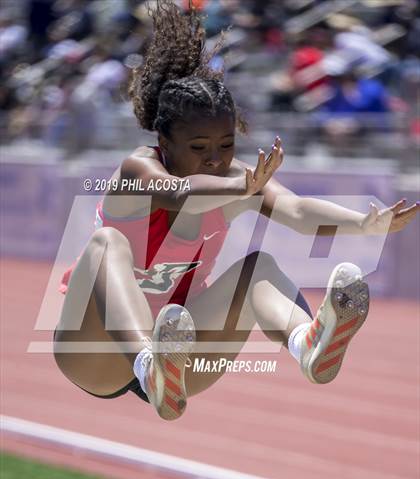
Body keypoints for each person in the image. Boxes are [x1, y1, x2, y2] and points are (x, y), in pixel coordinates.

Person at [53, 0, 419, 421]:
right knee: (106, 242)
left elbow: (297, 211)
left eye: (226, 146)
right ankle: (148, 363)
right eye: (199, 148)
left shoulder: (237, 178)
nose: (215, 158)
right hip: (94, 350)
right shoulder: (137, 169)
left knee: (258, 268)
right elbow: (177, 193)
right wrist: (240, 186)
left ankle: (307, 344)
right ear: (165, 142)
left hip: (182, 354)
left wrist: (364, 223)